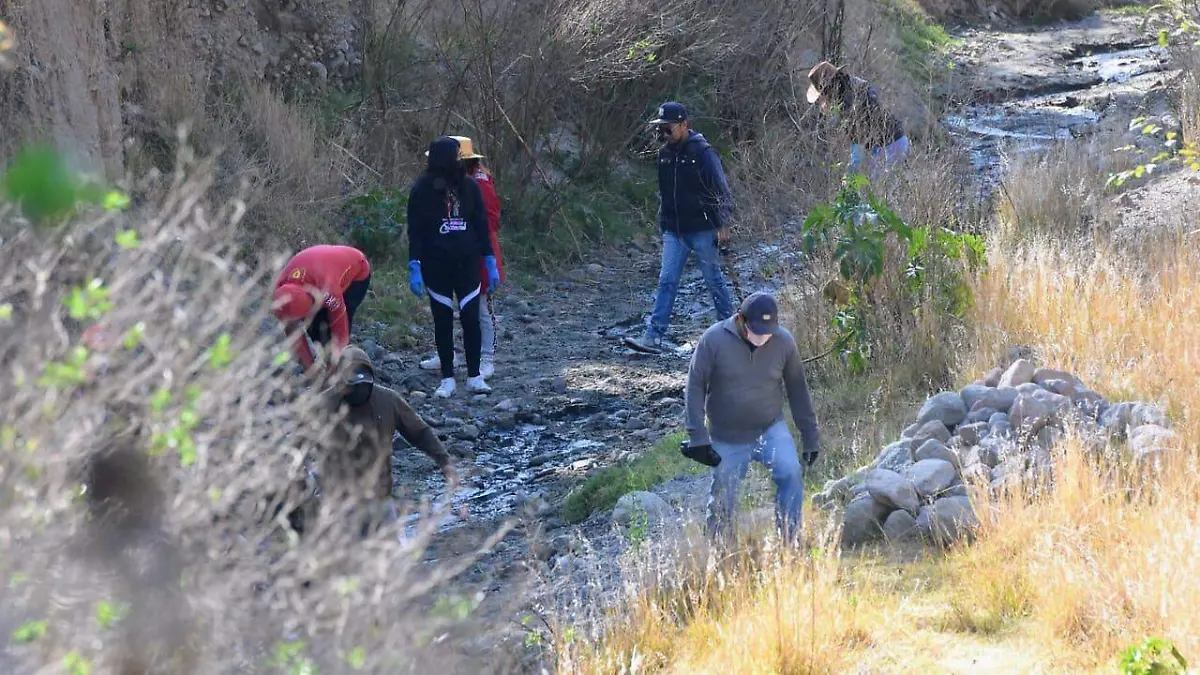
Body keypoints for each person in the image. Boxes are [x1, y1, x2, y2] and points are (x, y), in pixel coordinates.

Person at [682, 292, 821, 544]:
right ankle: (720, 551)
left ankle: (790, 543)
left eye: (768, 331)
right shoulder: (713, 340)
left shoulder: (784, 342)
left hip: (770, 428)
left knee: (791, 472)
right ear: (741, 320)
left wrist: (810, 436)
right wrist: (698, 437)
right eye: (757, 331)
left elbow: (798, 390)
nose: (762, 338)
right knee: (723, 495)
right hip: (727, 436)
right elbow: (694, 387)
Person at [624, 101, 735, 354]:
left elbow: (721, 190)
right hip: (674, 230)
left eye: (668, 128)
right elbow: (665, 194)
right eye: (660, 128)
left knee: (713, 281)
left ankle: (730, 336)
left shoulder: (704, 153)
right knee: (667, 281)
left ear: (684, 125)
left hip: (703, 228)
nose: (663, 133)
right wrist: (663, 223)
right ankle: (652, 337)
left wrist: (723, 224)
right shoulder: (664, 155)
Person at [319, 346, 458, 536]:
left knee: (392, 558)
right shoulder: (324, 404)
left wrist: (445, 462)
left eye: (363, 386)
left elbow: (420, 433)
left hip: (380, 498)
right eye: (352, 386)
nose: (358, 391)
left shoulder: (388, 400)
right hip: (341, 502)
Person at [407, 136, 500, 399]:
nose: (459, 161)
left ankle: (474, 376)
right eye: (456, 156)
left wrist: (489, 260)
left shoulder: (470, 187)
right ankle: (447, 377)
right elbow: (416, 230)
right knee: (443, 321)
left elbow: (481, 224)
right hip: (436, 265)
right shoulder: (422, 189)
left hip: (468, 263)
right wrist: (414, 263)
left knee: (471, 319)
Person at [272, 244, 372, 372]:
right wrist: (310, 372)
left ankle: (345, 371)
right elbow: (293, 333)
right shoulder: (279, 293)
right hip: (320, 268)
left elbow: (340, 329)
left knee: (327, 332)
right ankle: (326, 367)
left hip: (357, 270)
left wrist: (334, 368)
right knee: (315, 331)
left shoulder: (328, 289)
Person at [806, 61, 909, 182]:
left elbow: (862, 135)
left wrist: (852, 170)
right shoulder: (849, 88)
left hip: (891, 145)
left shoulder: (854, 97)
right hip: (882, 145)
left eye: (824, 93)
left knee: (875, 188)